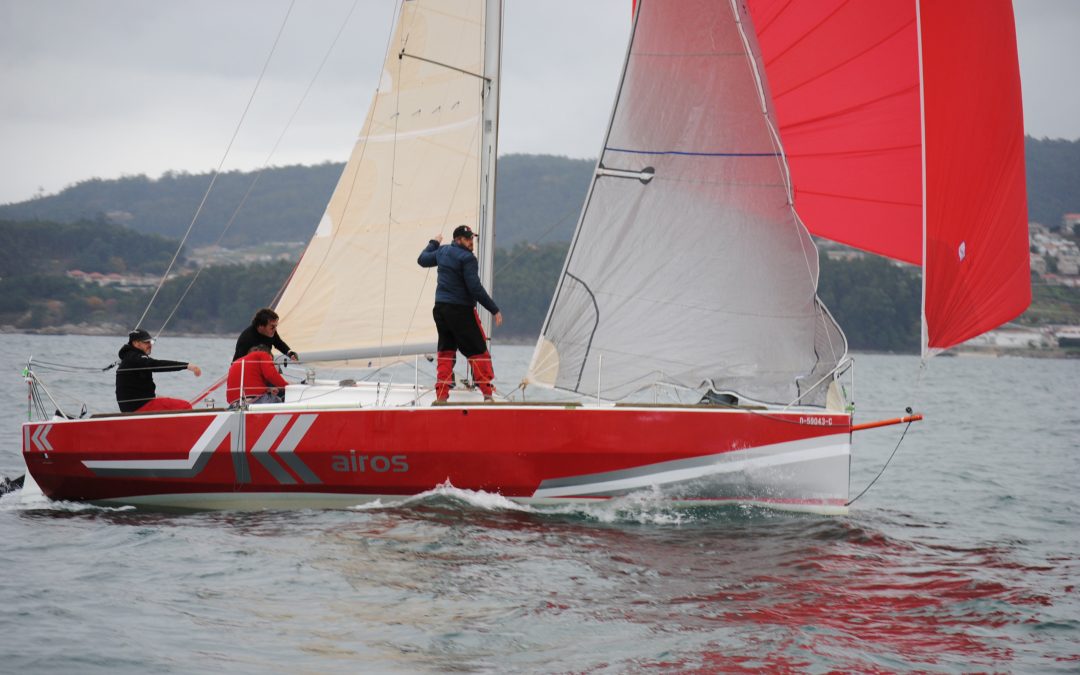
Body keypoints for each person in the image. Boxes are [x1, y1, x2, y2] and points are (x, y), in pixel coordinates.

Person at [417, 224, 503, 402]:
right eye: (468, 238)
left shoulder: (442, 251)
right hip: (460, 310)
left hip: (440, 309)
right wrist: (494, 309)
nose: (471, 242)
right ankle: (488, 395)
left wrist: (433, 242)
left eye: (472, 238)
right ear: (458, 240)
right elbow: (475, 288)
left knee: (446, 350)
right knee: (478, 350)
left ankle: (441, 396)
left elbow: (422, 259)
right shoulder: (467, 259)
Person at [115, 329, 202, 413]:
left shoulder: (129, 357)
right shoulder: (136, 358)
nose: (150, 345)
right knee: (184, 406)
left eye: (150, 342)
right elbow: (156, 364)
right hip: (139, 406)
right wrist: (187, 366)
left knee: (167, 402)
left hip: (132, 407)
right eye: (146, 342)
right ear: (136, 343)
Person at [232, 308, 299, 363]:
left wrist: (290, 353)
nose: (275, 329)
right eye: (272, 326)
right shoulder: (246, 339)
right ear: (261, 326)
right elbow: (237, 362)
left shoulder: (271, 332)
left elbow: (279, 343)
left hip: (264, 365)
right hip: (248, 370)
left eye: (276, 326)